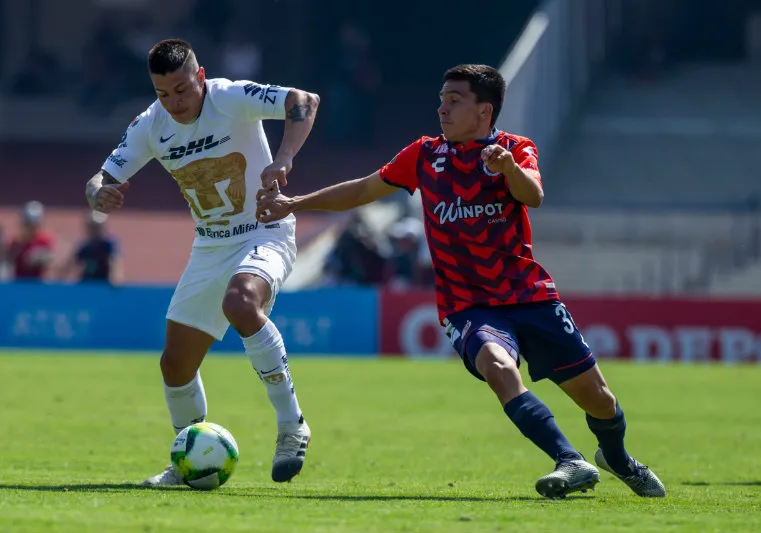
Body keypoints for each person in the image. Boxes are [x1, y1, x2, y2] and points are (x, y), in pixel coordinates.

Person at [256, 64, 665, 499]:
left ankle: (617, 458)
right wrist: (294, 203)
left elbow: (533, 195)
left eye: (454, 101)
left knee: (599, 399)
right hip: (468, 305)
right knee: (499, 368)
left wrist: (508, 168)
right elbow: (362, 190)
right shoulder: (423, 155)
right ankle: (569, 459)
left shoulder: (515, 149)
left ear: (484, 111)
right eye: (441, 100)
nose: (442, 109)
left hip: (528, 296)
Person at [85, 39, 319, 485]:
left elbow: (303, 101)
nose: (173, 102)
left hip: (264, 230)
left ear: (201, 76)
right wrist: (98, 193)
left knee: (241, 302)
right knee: (175, 365)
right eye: (162, 93)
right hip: (210, 245)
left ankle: (292, 427)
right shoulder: (150, 124)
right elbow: (101, 177)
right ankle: (187, 460)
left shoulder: (230, 96)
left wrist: (284, 158)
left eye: (181, 89)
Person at [60, 210, 120, 284]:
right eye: (91, 226)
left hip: (103, 284)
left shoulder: (108, 245)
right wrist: (61, 279)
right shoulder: (84, 246)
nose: (94, 230)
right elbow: (69, 264)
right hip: (86, 283)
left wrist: (115, 279)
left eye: (97, 227)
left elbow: (115, 262)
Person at [6, 201, 55, 281]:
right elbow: (7, 260)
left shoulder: (44, 240)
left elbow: (49, 259)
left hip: (37, 283)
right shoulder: (16, 241)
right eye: (27, 223)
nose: (29, 226)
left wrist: (36, 258)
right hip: (19, 282)